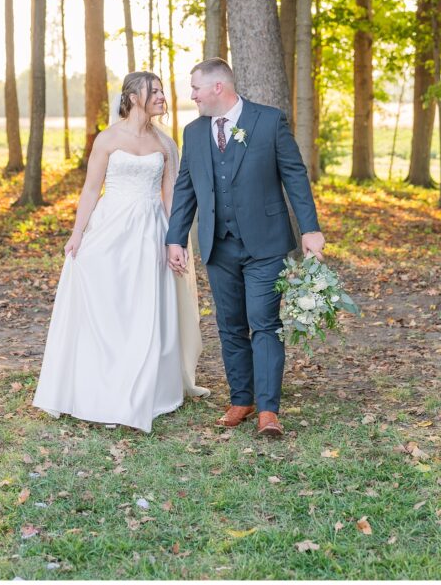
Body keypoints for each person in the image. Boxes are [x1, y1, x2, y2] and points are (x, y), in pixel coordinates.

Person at [33, 71, 208, 433]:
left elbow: (171, 196)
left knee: (146, 306)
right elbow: (90, 189)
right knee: (110, 304)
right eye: (153, 91)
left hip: (151, 231)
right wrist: (77, 234)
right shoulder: (108, 138)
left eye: (161, 91)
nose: (161, 96)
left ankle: (146, 386)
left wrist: (175, 239)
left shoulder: (165, 143)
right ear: (131, 97)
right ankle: (102, 383)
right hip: (110, 228)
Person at [165, 58, 325, 437]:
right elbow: (186, 187)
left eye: (196, 88)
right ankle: (242, 399)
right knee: (230, 325)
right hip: (217, 245)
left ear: (218, 87)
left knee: (264, 322)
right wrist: (175, 237)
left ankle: (269, 410)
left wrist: (310, 229)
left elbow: (294, 175)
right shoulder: (194, 132)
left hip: (266, 243)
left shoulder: (268, 121)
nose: (192, 95)